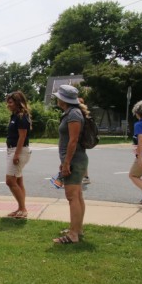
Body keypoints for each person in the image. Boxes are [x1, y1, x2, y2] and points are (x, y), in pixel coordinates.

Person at [52, 85, 89, 244]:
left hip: (74, 160)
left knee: (72, 197)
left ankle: (73, 234)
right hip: (75, 159)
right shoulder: (72, 112)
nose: (57, 99)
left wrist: (66, 162)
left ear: (63, 99)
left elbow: (73, 141)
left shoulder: (73, 114)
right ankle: (77, 229)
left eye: (58, 97)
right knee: (78, 196)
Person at [5, 91, 32, 219]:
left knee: (10, 181)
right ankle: (20, 208)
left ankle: (23, 209)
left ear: (17, 102)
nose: (8, 105)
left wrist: (16, 154)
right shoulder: (14, 116)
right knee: (18, 181)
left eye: (10, 102)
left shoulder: (22, 116)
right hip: (12, 150)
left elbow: (22, 136)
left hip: (19, 151)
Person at [78, 98, 91, 185]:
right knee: (82, 158)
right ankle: (86, 177)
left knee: (77, 159)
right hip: (83, 140)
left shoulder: (78, 115)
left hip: (78, 140)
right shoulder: (85, 115)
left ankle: (80, 178)